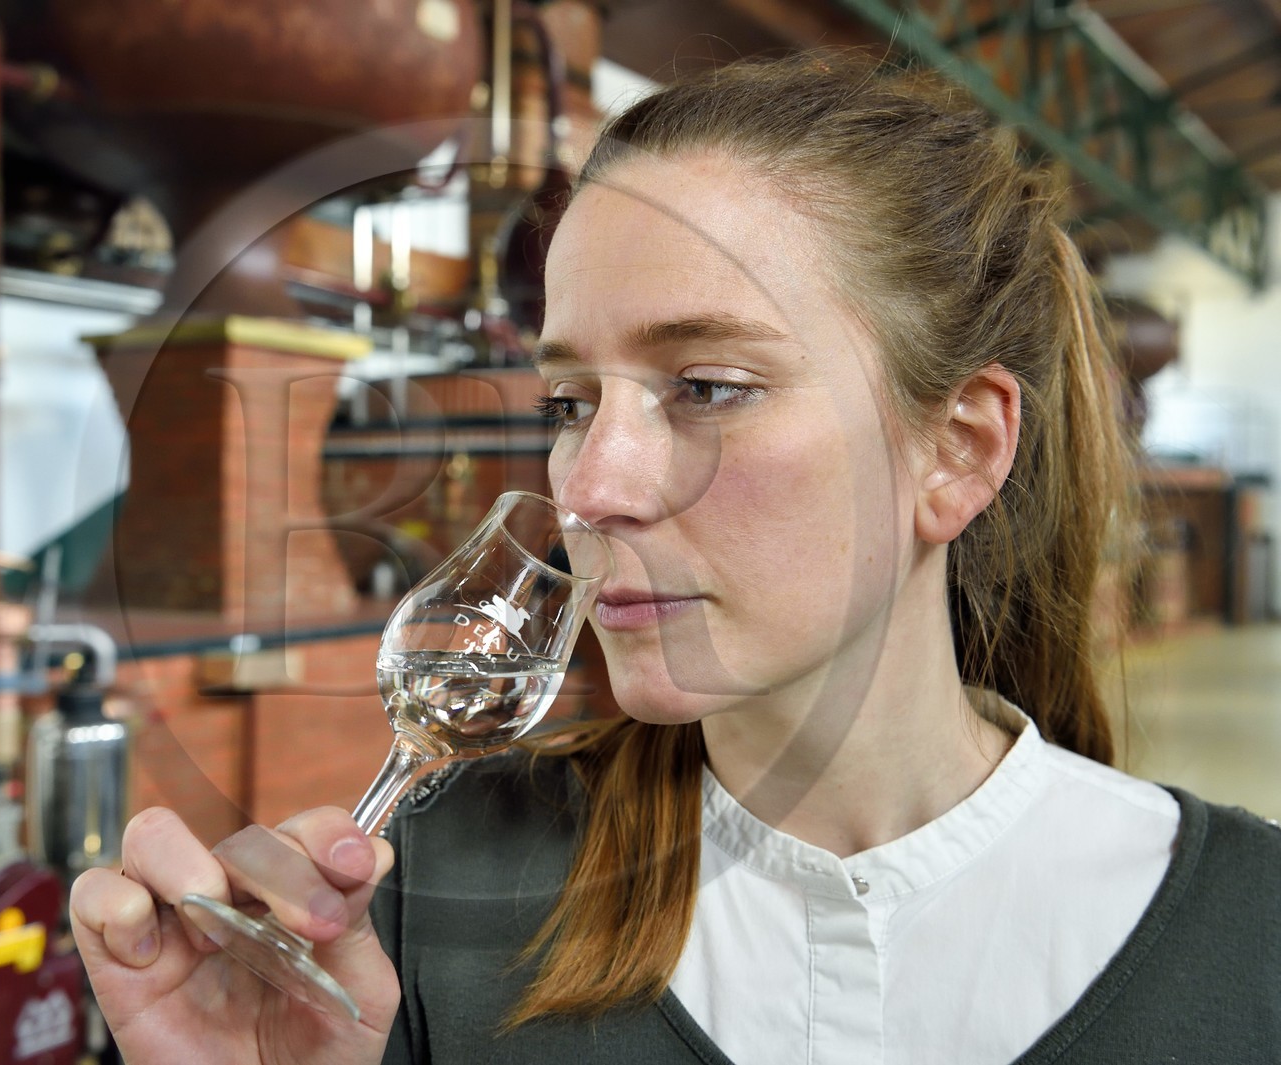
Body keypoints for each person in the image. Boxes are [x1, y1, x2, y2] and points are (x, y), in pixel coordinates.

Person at [69, 54, 1281, 1064]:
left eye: (706, 386)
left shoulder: (1248, 938)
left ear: (957, 451)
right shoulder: (416, 906)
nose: (590, 486)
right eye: (566, 402)